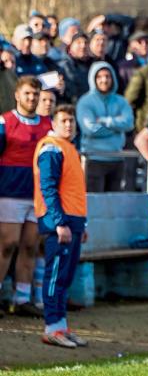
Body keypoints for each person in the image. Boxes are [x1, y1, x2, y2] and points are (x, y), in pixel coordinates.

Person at [33, 104, 88, 347]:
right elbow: (48, 188)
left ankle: (61, 327)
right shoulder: (52, 148)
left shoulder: (69, 148)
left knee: (65, 277)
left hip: (71, 222)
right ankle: (51, 328)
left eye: (71, 121)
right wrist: (60, 222)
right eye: (64, 120)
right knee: (55, 276)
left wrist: (80, 224)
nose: (68, 124)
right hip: (60, 223)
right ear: (53, 123)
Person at [0, 77, 51, 318]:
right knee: (6, 246)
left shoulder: (48, 125)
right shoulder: (5, 121)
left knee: (30, 246)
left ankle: (21, 299)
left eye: (35, 94)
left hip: (37, 195)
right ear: (17, 95)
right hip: (10, 193)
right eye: (28, 94)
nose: (32, 98)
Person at [76, 62, 134, 192]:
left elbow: (129, 123)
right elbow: (90, 129)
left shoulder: (121, 101)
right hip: (94, 158)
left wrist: (105, 121)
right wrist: (117, 129)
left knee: (114, 203)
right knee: (95, 203)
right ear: (93, 78)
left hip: (116, 158)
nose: (104, 80)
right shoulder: (85, 101)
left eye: (107, 76)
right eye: (100, 76)